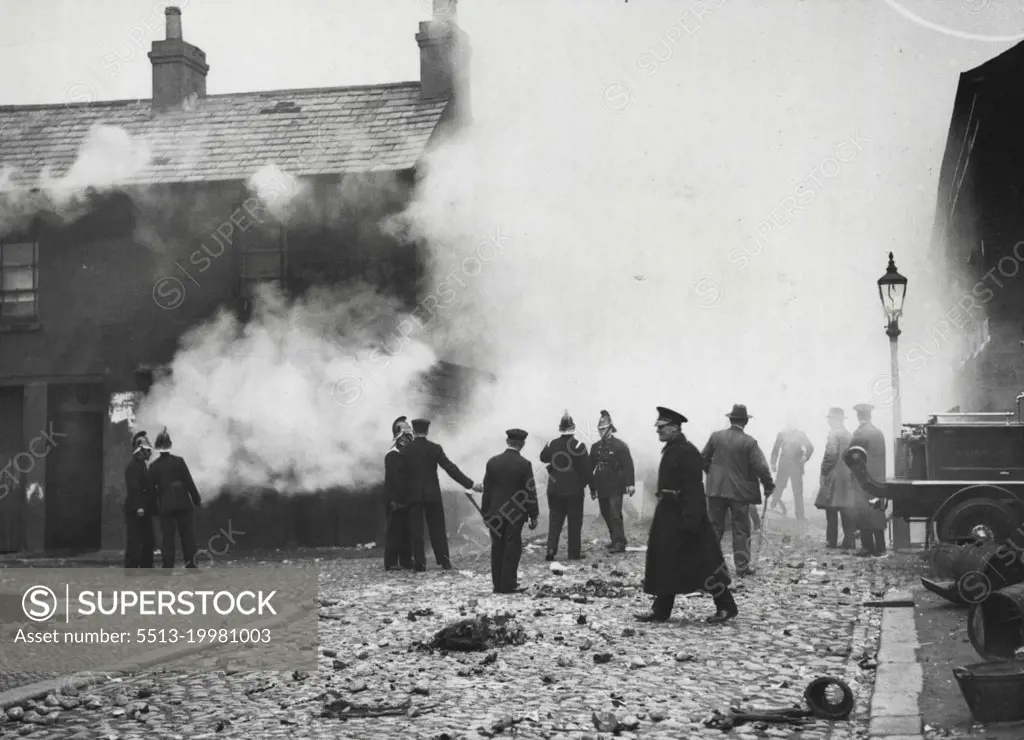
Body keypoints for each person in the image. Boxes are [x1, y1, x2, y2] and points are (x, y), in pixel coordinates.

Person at [635, 406, 738, 624]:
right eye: (658, 427)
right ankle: (661, 610)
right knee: (666, 561)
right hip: (670, 514)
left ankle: (727, 606)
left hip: (686, 517)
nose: (658, 431)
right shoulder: (673, 449)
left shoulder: (687, 451)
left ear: (674, 428)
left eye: (662, 427)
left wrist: (691, 521)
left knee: (705, 564)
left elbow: (694, 489)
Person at [702, 404, 775, 577]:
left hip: (715, 491)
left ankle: (706, 565)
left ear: (730, 419)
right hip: (739, 494)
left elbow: (703, 458)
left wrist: (712, 475)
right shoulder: (749, 442)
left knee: (714, 528)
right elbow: (760, 467)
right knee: (741, 529)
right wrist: (768, 484)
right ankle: (742, 567)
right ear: (745, 422)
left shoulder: (716, 437)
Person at [403, 418, 482, 571]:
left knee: (416, 530)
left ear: (413, 431)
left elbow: (400, 475)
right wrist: (470, 484)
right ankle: (444, 561)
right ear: (427, 431)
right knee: (438, 529)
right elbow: (450, 469)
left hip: (413, 495)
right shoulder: (435, 448)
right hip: (432, 494)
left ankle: (419, 563)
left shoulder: (406, 450)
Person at [482, 428, 539, 593]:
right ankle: (508, 584)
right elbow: (530, 492)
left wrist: (486, 512)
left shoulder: (492, 462)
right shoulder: (524, 464)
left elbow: (487, 490)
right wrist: (533, 515)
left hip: (494, 513)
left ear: (507, 442)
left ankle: (497, 584)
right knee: (512, 547)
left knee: (496, 547)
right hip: (515, 514)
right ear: (522, 444)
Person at [540, 411, 595, 561]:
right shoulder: (578, 445)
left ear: (560, 429)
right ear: (573, 428)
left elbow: (543, 457)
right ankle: (573, 552)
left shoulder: (551, 443)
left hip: (554, 487)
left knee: (555, 519)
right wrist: (593, 488)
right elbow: (587, 470)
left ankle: (551, 550)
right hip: (574, 489)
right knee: (574, 521)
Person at [148, 429, 202, 569]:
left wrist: (153, 506)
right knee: (188, 537)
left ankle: (167, 566)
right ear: (169, 445)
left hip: (165, 506)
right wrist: (196, 499)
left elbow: (151, 490)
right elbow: (189, 482)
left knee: (168, 539)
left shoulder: (154, 466)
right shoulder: (179, 461)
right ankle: (192, 565)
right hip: (183, 504)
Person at [589, 410, 636, 553]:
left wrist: (630, 484)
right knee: (605, 513)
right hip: (601, 484)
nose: (601, 432)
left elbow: (628, 465)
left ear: (610, 428)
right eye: (599, 429)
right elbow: (590, 466)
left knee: (615, 513)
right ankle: (615, 539)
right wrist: (591, 487)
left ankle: (620, 543)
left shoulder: (620, 445)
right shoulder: (595, 447)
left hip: (615, 483)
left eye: (604, 429)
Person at [814, 407, 859, 550]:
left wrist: (823, 473)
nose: (829, 422)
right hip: (847, 475)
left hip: (834, 474)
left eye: (830, 419)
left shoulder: (834, 434)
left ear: (835, 420)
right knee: (846, 509)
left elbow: (830, 456)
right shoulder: (849, 434)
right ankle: (849, 541)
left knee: (831, 508)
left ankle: (831, 541)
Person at [849, 403, 888, 557]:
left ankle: (867, 547)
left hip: (863, 480)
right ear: (870, 415)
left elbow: (852, 458)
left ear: (858, 416)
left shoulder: (859, 434)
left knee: (864, 511)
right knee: (877, 511)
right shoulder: (878, 433)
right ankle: (881, 547)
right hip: (878, 479)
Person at [383, 416, 414, 571]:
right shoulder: (393, 454)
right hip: (395, 499)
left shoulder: (405, 453)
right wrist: (398, 499)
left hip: (405, 497)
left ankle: (406, 560)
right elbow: (395, 480)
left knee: (406, 530)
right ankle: (391, 561)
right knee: (395, 530)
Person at [124, 431, 157, 570]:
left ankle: (146, 566)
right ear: (140, 450)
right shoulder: (133, 467)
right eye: (147, 450)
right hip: (137, 509)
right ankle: (132, 567)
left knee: (147, 539)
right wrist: (139, 506)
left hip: (144, 508)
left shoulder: (142, 465)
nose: (149, 453)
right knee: (135, 540)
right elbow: (134, 489)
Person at [770, 423, 814, 521]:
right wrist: (773, 463)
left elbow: (810, 448)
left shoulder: (801, 435)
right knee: (779, 487)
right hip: (784, 465)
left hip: (796, 465)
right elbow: (776, 449)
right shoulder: (782, 434)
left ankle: (800, 516)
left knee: (797, 491)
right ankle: (773, 506)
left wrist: (805, 457)